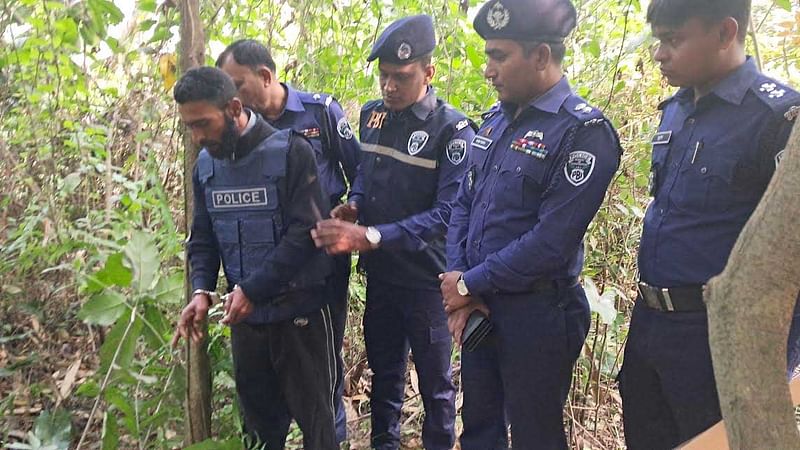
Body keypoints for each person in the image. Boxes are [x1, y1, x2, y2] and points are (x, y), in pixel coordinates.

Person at [617, 1, 800, 448]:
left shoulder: (778, 120)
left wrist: (780, 359)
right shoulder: (675, 110)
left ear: (725, 32)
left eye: (674, 39)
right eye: (659, 39)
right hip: (652, 324)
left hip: (717, 339)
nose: (660, 53)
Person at [440, 0, 622, 448]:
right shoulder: (494, 123)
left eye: (499, 56)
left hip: (538, 314)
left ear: (541, 56)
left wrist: (468, 284)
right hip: (480, 305)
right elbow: (463, 204)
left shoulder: (584, 133)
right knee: (480, 427)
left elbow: (550, 241)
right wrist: (459, 283)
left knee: (534, 434)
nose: (488, 70)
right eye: (488, 56)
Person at [311, 15, 476, 450]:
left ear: (428, 72)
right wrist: (355, 205)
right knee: (385, 376)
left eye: (401, 77)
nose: (389, 86)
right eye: (383, 76)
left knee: (437, 387)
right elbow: (366, 175)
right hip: (382, 278)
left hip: (426, 282)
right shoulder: (372, 117)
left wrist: (374, 235)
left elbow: (447, 214)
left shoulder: (453, 131)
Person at [171, 66, 338, 450]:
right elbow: (204, 238)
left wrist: (253, 289)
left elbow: (306, 234)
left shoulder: (292, 152)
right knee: (261, 432)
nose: (197, 136)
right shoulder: (206, 166)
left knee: (317, 427)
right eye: (189, 127)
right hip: (247, 322)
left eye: (203, 124)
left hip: (300, 315)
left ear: (232, 108)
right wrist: (200, 291)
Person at [216, 39, 360, 443]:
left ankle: (333, 436)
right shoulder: (237, 131)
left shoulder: (320, 111)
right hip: (265, 266)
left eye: (238, 84)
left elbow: (359, 169)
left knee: (322, 358)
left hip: (320, 259)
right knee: (265, 369)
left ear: (265, 76)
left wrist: (352, 208)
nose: (234, 97)